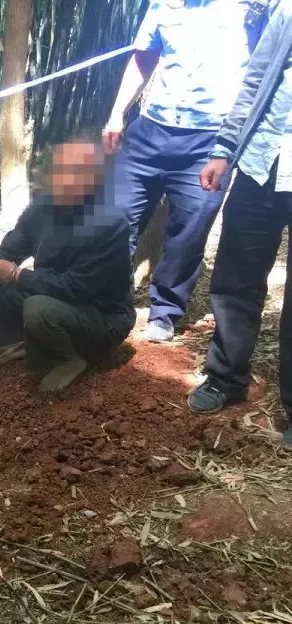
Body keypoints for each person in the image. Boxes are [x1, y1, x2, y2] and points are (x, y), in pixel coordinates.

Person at [103, 0, 274, 342]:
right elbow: (144, 57)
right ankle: (109, 302)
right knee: (116, 219)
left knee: (189, 234)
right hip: (150, 129)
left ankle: (165, 312)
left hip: (211, 141)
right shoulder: (164, 4)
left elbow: (265, 69)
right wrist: (117, 112)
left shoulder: (255, 8)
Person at [0, 140, 134, 393]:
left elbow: (77, 288)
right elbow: (9, 250)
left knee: (38, 307)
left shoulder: (109, 224)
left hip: (103, 317)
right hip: (57, 297)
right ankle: (22, 343)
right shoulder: (42, 209)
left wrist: (17, 275)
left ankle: (67, 358)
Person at [187, 4, 292, 448]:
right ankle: (226, 377)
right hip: (261, 163)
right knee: (235, 280)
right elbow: (256, 79)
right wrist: (224, 149)